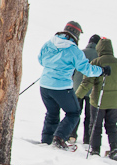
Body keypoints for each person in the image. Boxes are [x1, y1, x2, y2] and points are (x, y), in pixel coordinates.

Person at [37, 21, 107, 150]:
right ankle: (59, 138)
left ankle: (46, 141)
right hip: (61, 87)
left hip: (45, 85)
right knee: (73, 113)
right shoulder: (73, 50)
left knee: (52, 113)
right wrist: (101, 71)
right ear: (76, 34)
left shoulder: (49, 43)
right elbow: (86, 69)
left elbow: (41, 60)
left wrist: (54, 65)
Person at [76, 38, 117, 161]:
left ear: (99, 49)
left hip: (98, 101)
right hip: (115, 102)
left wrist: (78, 96)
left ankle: (95, 149)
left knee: (95, 126)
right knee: (112, 125)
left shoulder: (96, 62)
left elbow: (87, 82)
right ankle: (114, 148)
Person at [69, 33, 101, 145]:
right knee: (89, 116)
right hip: (91, 90)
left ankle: (71, 135)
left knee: (75, 113)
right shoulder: (99, 56)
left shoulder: (80, 53)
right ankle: (87, 139)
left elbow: (72, 70)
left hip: (77, 88)